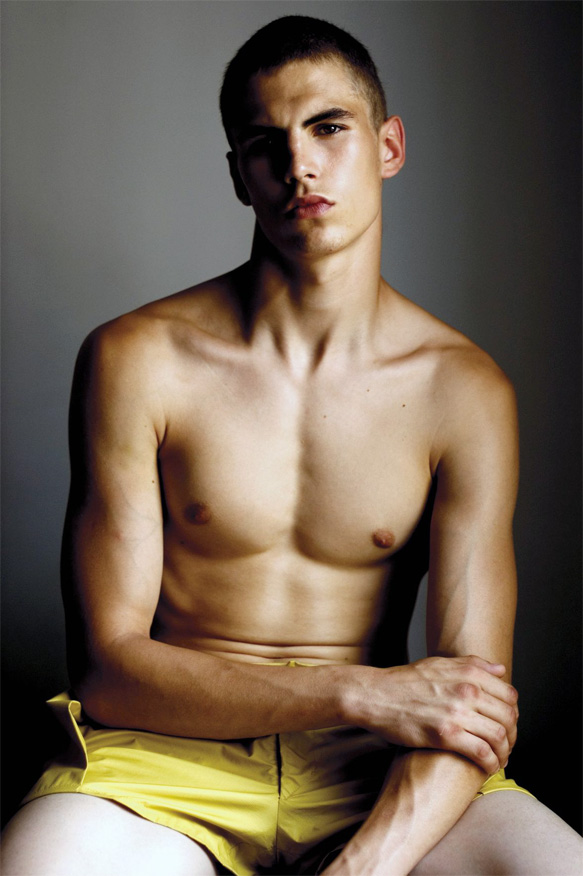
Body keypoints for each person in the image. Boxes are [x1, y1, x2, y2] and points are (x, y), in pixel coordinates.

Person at [2, 15, 581, 876]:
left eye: (328, 128)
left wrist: (363, 866)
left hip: (377, 767)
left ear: (388, 146)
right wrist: (364, 690)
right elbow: (109, 669)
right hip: (166, 763)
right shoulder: (138, 358)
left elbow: (469, 702)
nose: (299, 164)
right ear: (239, 175)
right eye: (263, 144)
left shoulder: (463, 390)